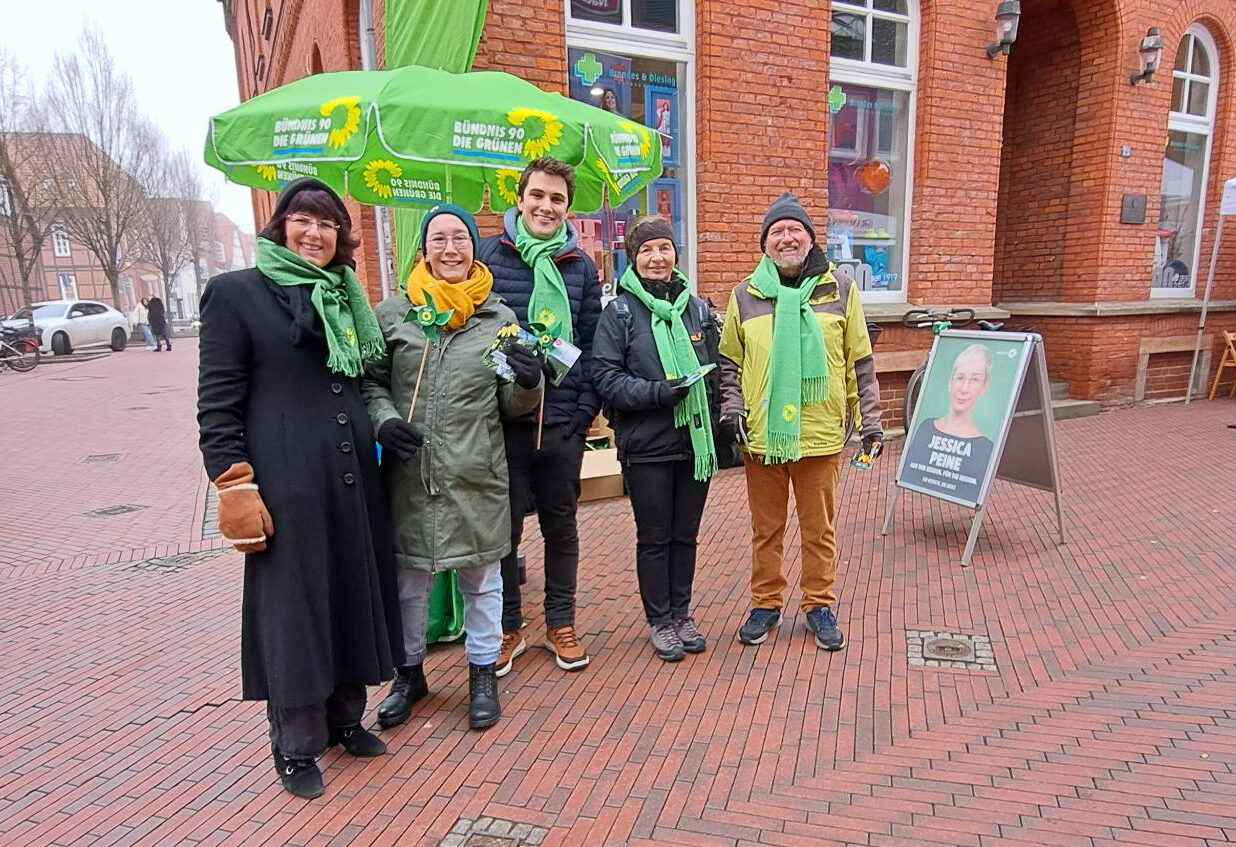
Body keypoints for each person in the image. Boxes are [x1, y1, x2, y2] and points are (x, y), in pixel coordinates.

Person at [197, 177, 402, 799]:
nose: (315, 233)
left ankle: (345, 721)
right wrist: (233, 483)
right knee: (295, 614)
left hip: (351, 483)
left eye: (328, 224)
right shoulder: (237, 295)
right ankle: (294, 745)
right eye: (303, 221)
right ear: (281, 225)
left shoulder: (347, 297)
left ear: (342, 235)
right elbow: (218, 403)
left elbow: (364, 381)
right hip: (286, 487)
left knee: (348, 598)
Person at [363, 204, 543, 731]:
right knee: (408, 581)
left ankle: (482, 673)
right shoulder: (393, 314)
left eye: (460, 238)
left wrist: (529, 380)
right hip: (409, 473)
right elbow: (370, 382)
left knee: (483, 578)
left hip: (475, 471)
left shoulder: (499, 318)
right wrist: (384, 420)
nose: (450, 249)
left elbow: (512, 402)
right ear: (423, 250)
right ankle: (409, 674)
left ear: (473, 247)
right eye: (438, 239)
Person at [718, 191, 883, 652]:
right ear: (765, 245)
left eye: (795, 230)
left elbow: (860, 363)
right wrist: (733, 410)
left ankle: (818, 604)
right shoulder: (743, 296)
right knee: (765, 529)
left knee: (819, 529)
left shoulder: (841, 290)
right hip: (763, 437)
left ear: (810, 239)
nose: (786, 238)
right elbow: (729, 363)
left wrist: (871, 421)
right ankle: (766, 603)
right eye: (777, 232)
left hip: (820, 434)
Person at [477, 157, 602, 676]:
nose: (546, 206)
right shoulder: (488, 255)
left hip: (563, 422)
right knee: (503, 532)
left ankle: (560, 622)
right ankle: (509, 626)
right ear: (520, 197)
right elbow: (476, 334)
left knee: (561, 527)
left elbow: (596, 343)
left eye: (557, 199)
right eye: (539, 196)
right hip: (504, 421)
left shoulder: (581, 265)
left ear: (567, 208)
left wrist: (583, 413)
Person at [592, 216, 735, 661]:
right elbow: (605, 379)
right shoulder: (618, 313)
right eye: (647, 251)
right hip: (648, 445)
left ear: (676, 254)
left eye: (665, 249)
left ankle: (682, 613)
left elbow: (718, 366)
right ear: (633, 258)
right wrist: (659, 392)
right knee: (654, 536)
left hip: (694, 444)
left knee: (685, 535)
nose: (657, 258)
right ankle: (660, 620)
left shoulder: (696, 308)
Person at [902, 344, 994, 504]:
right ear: (950, 382)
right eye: (960, 377)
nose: (964, 389)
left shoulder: (985, 448)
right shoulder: (925, 428)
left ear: (984, 386)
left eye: (975, 379)